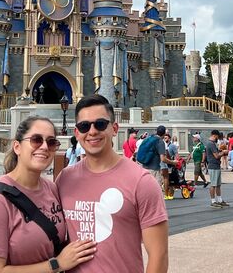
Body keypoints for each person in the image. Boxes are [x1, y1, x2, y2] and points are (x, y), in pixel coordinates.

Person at [57, 94, 169, 273]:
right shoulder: (64, 179)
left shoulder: (141, 182)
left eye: (100, 124)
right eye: (84, 126)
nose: (92, 131)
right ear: (77, 133)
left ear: (114, 128)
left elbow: (159, 255)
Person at [0, 115, 96, 272]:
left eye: (51, 142)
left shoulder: (52, 188)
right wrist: (57, 264)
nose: (45, 147)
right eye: (36, 140)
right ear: (17, 147)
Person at [139, 125, 168, 191]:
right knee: (157, 190)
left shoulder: (148, 138)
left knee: (146, 189)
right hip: (154, 169)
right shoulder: (160, 142)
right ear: (164, 133)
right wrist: (173, 162)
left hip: (144, 167)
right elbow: (163, 159)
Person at [205, 129, 228, 208]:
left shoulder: (211, 143)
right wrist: (223, 152)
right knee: (213, 184)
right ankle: (213, 201)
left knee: (218, 184)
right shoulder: (211, 144)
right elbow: (216, 156)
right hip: (213, 166)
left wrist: (220, 150)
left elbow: (216, 153)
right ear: (215, 135)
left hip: (216, 166)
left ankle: (220, 200)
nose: (217, 138)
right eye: (217, 137)